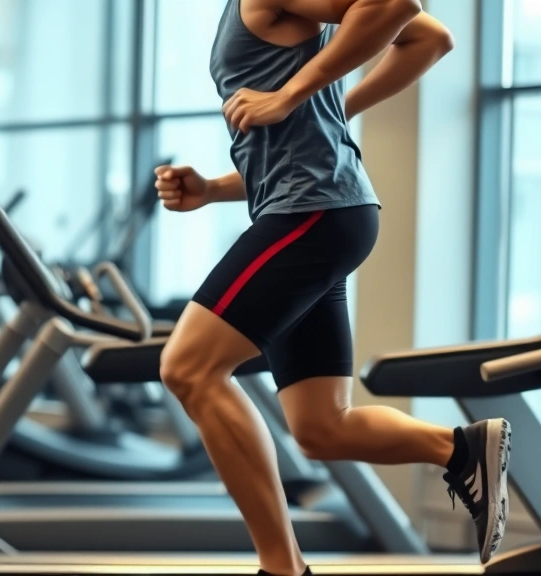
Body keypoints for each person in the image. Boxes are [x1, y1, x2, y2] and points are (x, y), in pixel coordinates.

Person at [154, 1, 510, 574]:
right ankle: (460, 450)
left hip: (311, 216)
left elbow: (398, 7)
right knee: (321, 428)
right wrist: (215, 187)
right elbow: (430, 38)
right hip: (321, 211)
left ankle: (282, 568)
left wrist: (295, 93)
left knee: (188, 369)